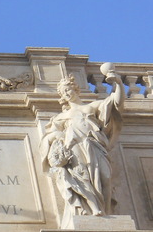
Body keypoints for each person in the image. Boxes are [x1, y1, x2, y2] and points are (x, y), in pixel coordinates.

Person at [40, 70, 124, 223]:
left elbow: (116, 103)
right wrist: (59, 136)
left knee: (105, 176)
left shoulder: (92, 107)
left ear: (75, 88)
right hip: (75, 149)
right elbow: (49, 137)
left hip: (94, 145)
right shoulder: (60, 117)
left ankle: (106, 211)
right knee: (83, 179)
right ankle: (94, 209)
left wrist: (118, 83)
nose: (66, 93)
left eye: (68, 89)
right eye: (63, 92)